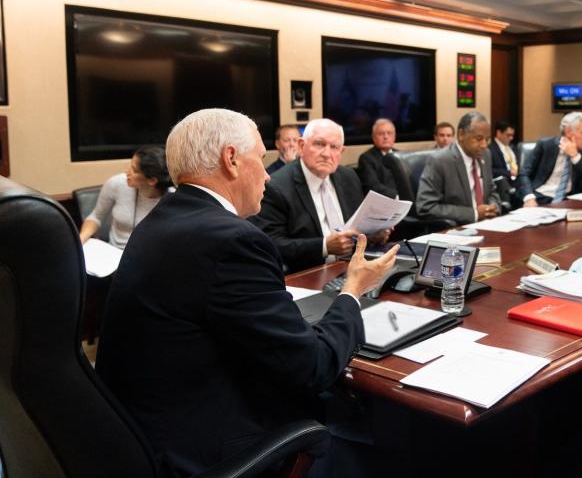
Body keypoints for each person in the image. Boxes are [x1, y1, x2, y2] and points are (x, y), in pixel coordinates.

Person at [96, 108, 399, 476]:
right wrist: (352, 289)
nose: (269, 177)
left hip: (137, 434)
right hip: (202, 451)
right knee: (393, 451)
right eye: (261, 158)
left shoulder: (161, 220)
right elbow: (312, 367)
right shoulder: (233, 240)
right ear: (232, 159)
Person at [251, 118, 391, 273]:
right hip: (308, 274)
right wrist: (324, 246)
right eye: (319, 144)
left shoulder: (348, 177)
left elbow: (354, 228)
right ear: (302, 146)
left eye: (334, 147)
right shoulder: (277, 187)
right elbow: (271, 244)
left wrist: (371, 236)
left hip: (352, 268)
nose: (326, 153)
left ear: (341, 151)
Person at [416, 112, 501, 225]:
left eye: (487, 139)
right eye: (479, 139)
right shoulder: (440, 160)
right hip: (456, 229)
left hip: (488, 225)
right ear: (461, 134)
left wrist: (492, 207)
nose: (484, 145)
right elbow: (426, 206)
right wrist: (474, 213)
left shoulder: (486, 155)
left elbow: (491, 191)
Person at [78, 145, 171, 248]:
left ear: (152, 181)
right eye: (130, 166)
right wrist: (79, 241)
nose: (127, 172)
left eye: (134, 170)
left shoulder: (173, 198)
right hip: (115, 253)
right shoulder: (116, 183)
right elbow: (96, 217)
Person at [518, 111, 582, 207]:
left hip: (567, 201)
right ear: (568, 131)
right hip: (540, 197)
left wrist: (575, 156)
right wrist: (529, 198)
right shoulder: (546, 145)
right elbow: (524, 173)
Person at [357, 118, 404, 199]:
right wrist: (398, 196)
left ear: (394, 136)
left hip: (406, 200)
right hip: (384, 202)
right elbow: (373, 187)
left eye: (389, 133)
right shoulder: (366, 158)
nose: (386, 137)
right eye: (381, 134)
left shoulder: (401, 155)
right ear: (373, 137)